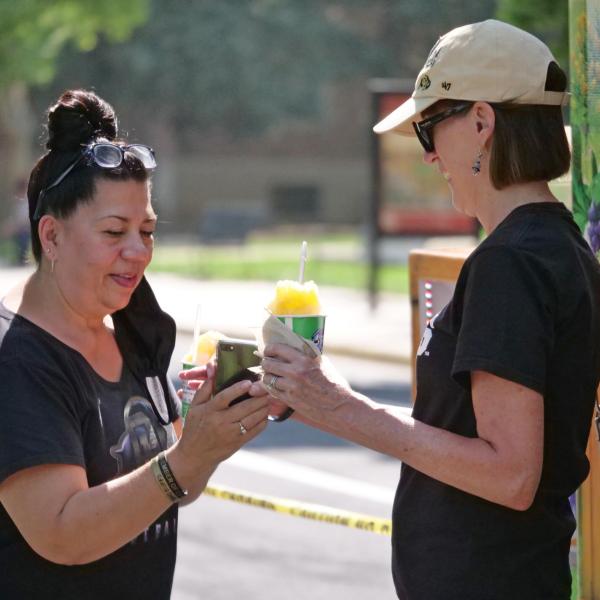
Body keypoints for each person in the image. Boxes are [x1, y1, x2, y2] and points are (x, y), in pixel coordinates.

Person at [253, 20, 600, 599]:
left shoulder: (509, 263)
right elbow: (458, 433)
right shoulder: (556, 248)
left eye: (429, 129)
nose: (430, 154)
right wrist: (306, 395)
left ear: (483, 124)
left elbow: (511, 474)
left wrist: (342, 405)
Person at [0, 89, 269, 599]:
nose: (137, 251)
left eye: (147, 230)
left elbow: (170, 490)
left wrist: (211, 437)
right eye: (114, 231)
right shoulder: (17, 358)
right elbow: (61, 532)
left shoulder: (132, 328)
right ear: (51, 237)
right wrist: (186, 459)